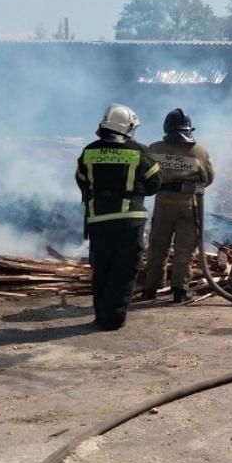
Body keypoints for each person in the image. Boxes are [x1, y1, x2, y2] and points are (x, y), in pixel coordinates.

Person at [76, 104, 161, 330]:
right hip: (129, 221)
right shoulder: (139, 152)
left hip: (98, 221)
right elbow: (155, 183)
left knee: (102, 267)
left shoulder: (89, 151)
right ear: (128, 127)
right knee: (123, 269)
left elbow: (82, 180)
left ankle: (100, 314)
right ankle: (113, 319)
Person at [141, 108, 215, 303]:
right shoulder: (199, 151)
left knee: (157, 246)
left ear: (166, 128)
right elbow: (208, 179)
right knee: (184, 248)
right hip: (188, 205)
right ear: (189, 129)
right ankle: (180, 292)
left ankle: (150, 289)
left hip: (162, 202)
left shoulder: (154, 148)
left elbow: (145, 176)